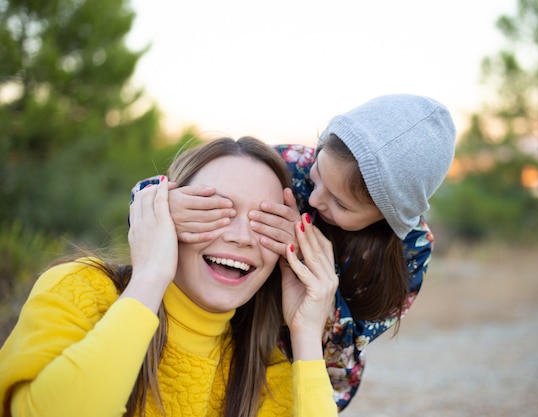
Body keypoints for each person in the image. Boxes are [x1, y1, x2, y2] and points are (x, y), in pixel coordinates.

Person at [132, 94, 457, 410]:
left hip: (303, 365)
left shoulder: (408, 252)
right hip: (235, 324)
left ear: (387, 217)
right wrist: (168, 203)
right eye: (317, 178)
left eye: (341, 203)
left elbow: (346, 351)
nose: (315, 200)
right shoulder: (293, 165)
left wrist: (311, 272)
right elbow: (160, 191)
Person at [0, 137, 339, 417]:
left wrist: (306, 334)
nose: (242, 237)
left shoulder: (269, 376)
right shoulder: (79, 288)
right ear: (169, 213)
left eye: (263, 222)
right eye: (215, 210)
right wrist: (150, 275)